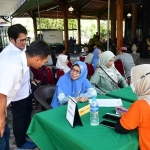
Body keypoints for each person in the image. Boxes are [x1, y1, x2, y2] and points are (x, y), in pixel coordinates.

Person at [0, 40, 50, 150]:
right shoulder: (14, 66)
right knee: (1, 142)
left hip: (2, 104)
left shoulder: (20, 59)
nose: (43, 65)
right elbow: (1, 93)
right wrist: (1, 121)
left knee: (6, 135)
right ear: (37, 59)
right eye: (44, 62)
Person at [1, 24, 36, 149]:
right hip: (15, 96)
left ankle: (24, 135)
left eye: (25, 39)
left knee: (28, 113)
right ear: (11, 39)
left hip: (26, 90)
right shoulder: (7, 56)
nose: (24, 42)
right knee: (19, 118)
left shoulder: (23, 49)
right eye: (21, 40)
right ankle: (20, 142)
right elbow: (3, 83)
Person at [115, 64, 150, 150]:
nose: (131, 83)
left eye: (133, 79)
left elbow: (120, 128)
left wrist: (125, 114)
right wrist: (130, 113)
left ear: (142, 81)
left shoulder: (141, 105)